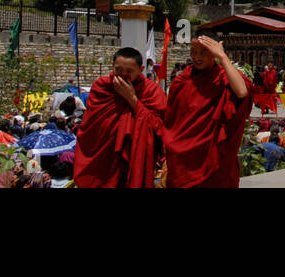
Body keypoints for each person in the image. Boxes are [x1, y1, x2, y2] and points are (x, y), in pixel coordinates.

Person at [163, 35, 253, 188]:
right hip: (183, 159)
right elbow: (173, 121)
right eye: (193, 52)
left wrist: (223, 57)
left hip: (213, 157)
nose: (197, 57)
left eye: (203, 52)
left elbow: (242, 92)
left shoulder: (222, 78)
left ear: (214, 53)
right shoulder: (182, 81)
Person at [73, 47, 167, 189]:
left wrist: (132, 99)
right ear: (112, 67)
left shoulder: (151, 91)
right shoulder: (102, 88)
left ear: (141, 69)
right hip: (104, 163)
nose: (123, 75)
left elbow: (159, 128)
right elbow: (90, 130)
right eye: (118, 70)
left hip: (134, 159)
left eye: (129, 72)